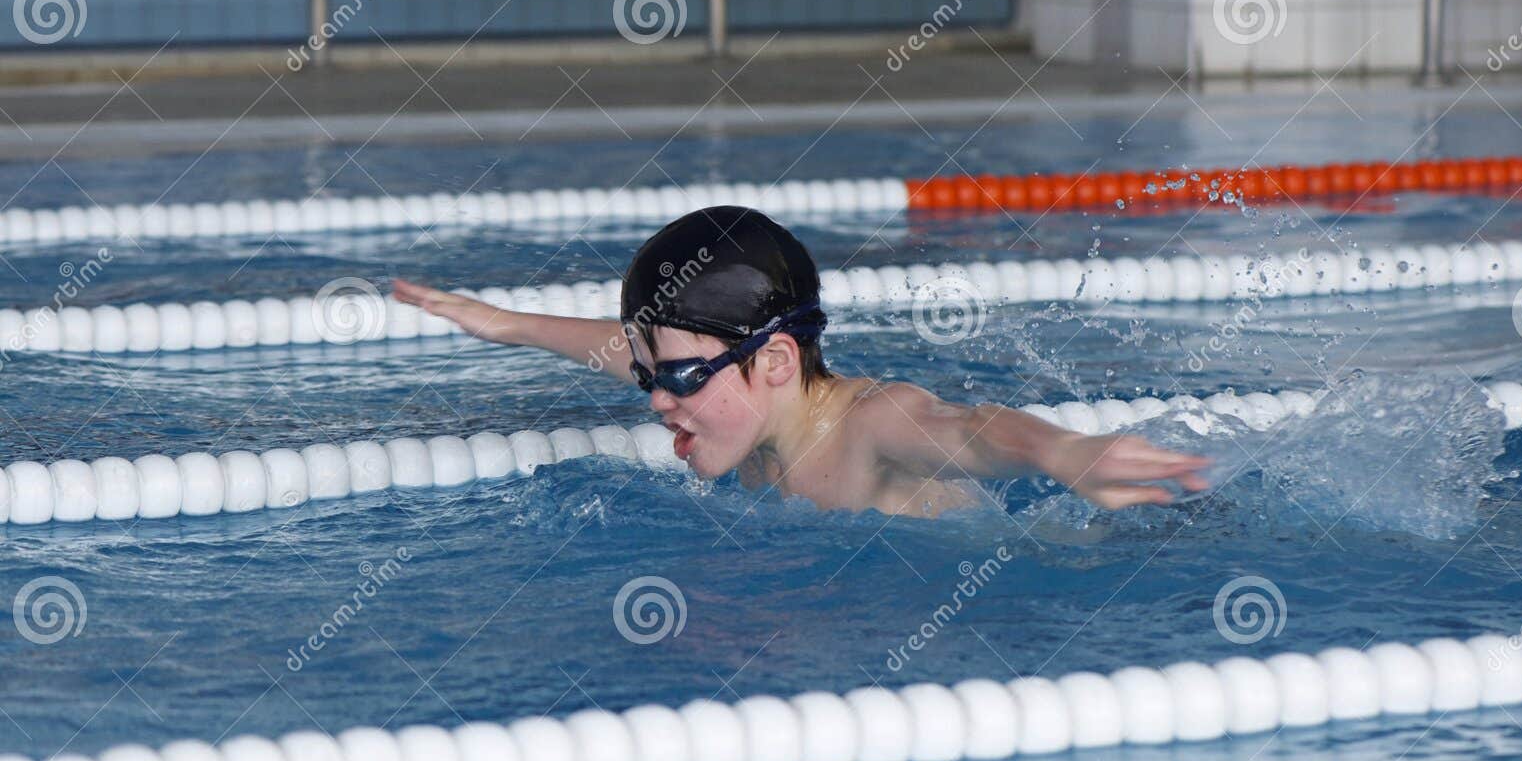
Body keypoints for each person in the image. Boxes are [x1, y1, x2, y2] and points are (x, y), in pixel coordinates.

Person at [393, 205, 1210, 517]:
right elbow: (617, 352)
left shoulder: (864, 428)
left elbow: (967, 427)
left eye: (675, 376)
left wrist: (1064, 451)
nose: (653, 399)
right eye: (650, 375)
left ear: (776, 360)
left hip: (1111, 540)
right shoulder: (739, 412)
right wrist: (505, 325)